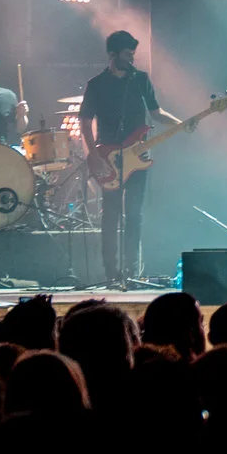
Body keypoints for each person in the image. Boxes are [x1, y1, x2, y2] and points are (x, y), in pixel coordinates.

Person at [81, 29, 184, 288]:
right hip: (109, 156)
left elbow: (156, 112)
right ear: (112, 54)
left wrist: (180, 123)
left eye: (133, 54)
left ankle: (131, 272)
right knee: (111, 215)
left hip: (139, 156)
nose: (132, 59)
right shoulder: (97, 84)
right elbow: (85, 122)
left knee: (134, 215)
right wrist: (94, 155)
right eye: (127, 54)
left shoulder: (140, 80)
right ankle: (111, 274)